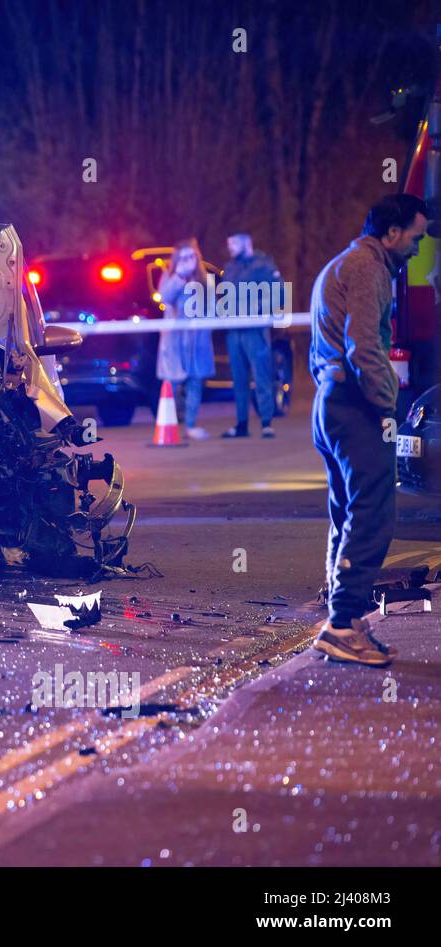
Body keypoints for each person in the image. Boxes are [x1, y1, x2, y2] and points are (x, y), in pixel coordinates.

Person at [309, 194, 430, 667]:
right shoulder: (367, 268)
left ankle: (347, 620)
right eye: (416, 237)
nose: (418, 248)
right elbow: (365, 348)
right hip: (356, 406)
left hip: (332, 402)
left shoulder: (344, 263)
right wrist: (388, 407)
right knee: (374, 516)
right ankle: (342, 625)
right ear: (393, 232)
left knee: (348, 514)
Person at [220, 231, 282, 439]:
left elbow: (279, 292)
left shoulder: (264, 265)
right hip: (234, 330)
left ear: (246, 243)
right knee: (239, 380)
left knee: (262, 376)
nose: (230, 248)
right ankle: (242, 424)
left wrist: (262, 312)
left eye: (234, 243)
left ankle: (266, 422)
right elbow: (224, 296)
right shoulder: (230, 268)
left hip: (255, 330)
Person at [156, 238, 215, 441]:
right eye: (183, 257)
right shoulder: (169, 276)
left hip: (197, 340)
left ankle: (191, 425)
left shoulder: (204, 278)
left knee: (195, 382)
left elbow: (212, 307)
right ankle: (167, 425)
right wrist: (179, 277)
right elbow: (164, 297)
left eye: (191, 256)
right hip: (175, 339)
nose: (188, 261)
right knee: (171, 383)